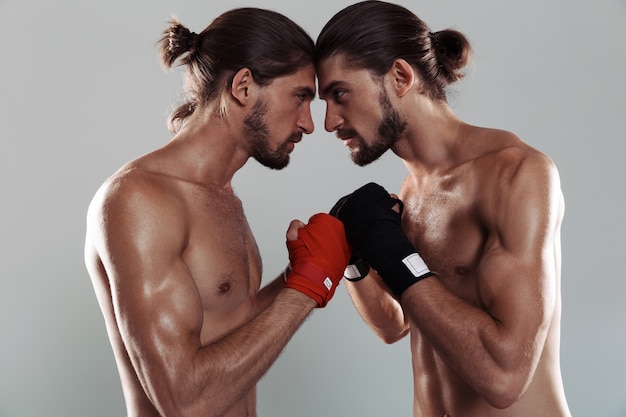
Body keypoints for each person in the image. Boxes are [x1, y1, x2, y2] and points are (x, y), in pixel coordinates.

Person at [84, 8, 351, 417]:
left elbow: (226, 329)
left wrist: (293, 280)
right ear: (243, 86)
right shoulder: (140, 200)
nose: (309, 124)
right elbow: (185, 401)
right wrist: (307, 288)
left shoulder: (222, 196)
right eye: (300, 97)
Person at [316, 1, 572, 416]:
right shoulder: (411, 189)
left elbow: (504, 377)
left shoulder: (516, 174)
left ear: (400, 76)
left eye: (340, 94)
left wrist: (397, 258)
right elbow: (396, 325)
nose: (329, 121)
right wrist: (356, 261)